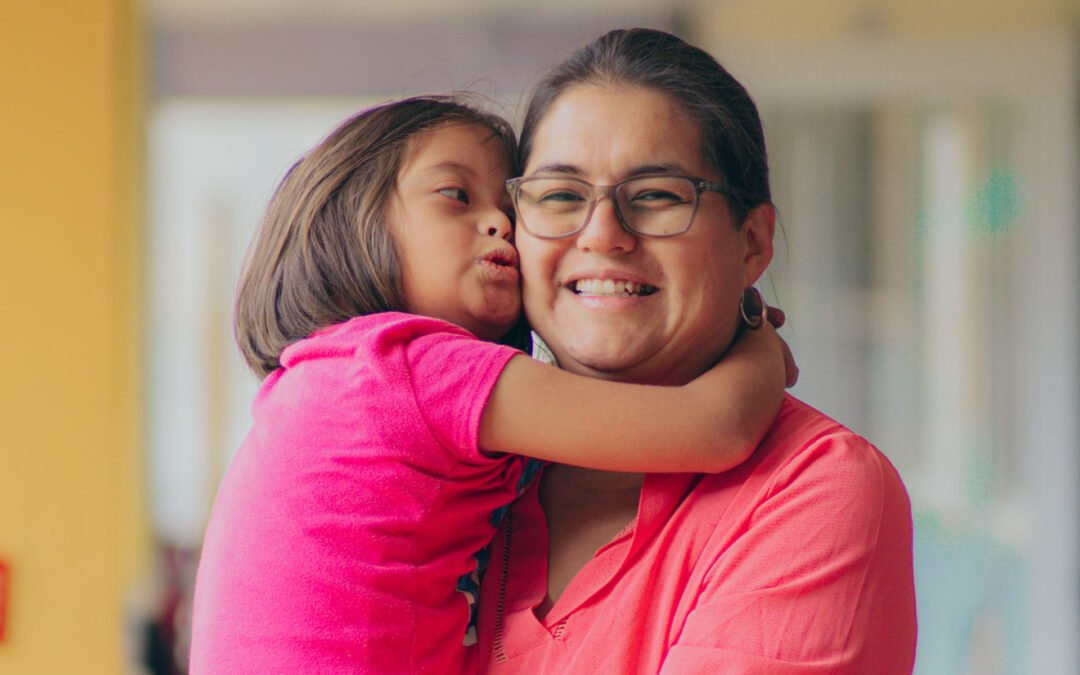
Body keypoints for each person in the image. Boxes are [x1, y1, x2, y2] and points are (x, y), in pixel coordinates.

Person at [188, 96, 794, 673]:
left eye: (510, 211)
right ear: (354, 224)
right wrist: (758, 342)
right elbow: (718, 429)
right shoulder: (415, 372)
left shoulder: (330, 378)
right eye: (456, 196)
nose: (498, 226)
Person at [475, 28, 918, 673]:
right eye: (561, 196)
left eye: (656, 195)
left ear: (752, 243)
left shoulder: (814, 490)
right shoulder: (454, 463)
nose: (602, 236)